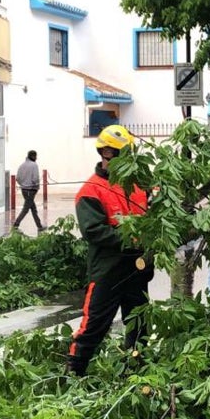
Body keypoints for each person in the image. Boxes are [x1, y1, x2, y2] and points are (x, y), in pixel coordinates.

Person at [67, 125, 151, 376]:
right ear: (106, 153)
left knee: (139, 324)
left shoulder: (139, 185)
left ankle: (136, 370)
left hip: (137, 270)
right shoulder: (91, 190)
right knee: (93, 325)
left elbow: (153, 216)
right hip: (107, 270)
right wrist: (132, 239)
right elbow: (94, 231)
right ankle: (74, 373)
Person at [13, 150, 43, 232]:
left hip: (24, 190)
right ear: (33, 156)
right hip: (31, 190)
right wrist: (36, 185)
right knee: (26, 209)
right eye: (36, 156)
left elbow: (18, 178)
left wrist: (23, 184)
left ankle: (39, 226)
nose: (36, 158)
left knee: (33, 208)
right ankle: (16, 224)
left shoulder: (22, 165)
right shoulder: (34, 165)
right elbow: (35, 179)